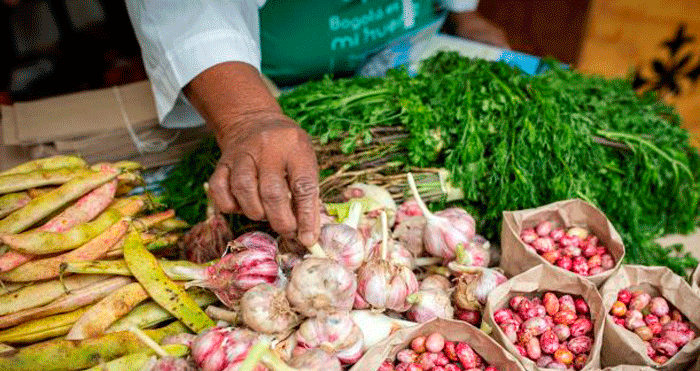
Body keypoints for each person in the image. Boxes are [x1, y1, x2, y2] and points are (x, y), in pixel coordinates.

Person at [124, 0, 508, 247]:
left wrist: (464, 12)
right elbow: (184, 9)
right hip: (275, 73)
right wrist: (249, 116)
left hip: (412, 38)